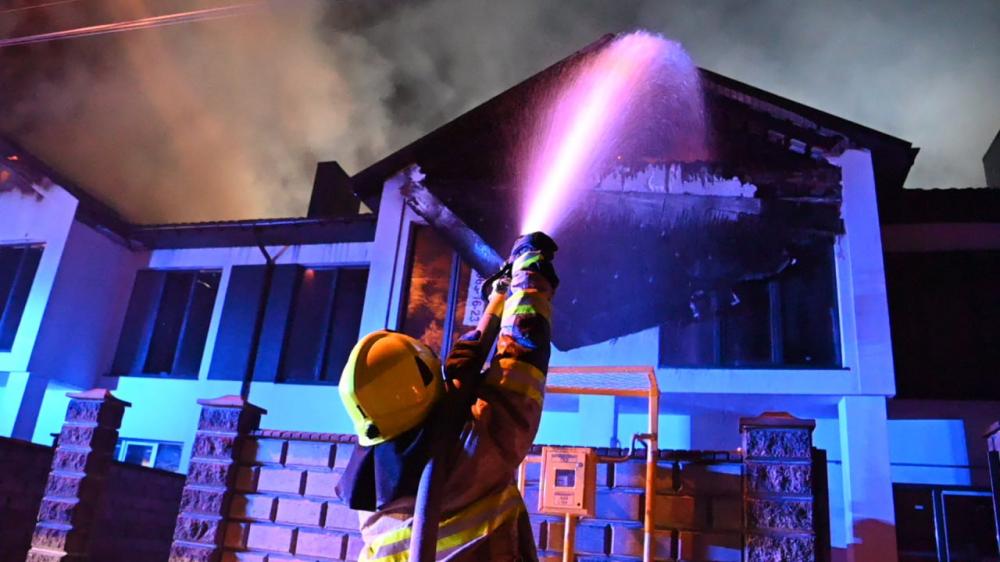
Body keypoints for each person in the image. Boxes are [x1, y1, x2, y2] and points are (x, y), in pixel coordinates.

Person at [337, 232, 559, 561]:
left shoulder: (373, 503)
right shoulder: (474, 449)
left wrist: (496, 303)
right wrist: (529, 273)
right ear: (423, 391)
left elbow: (451, 394)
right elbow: (521, 357)